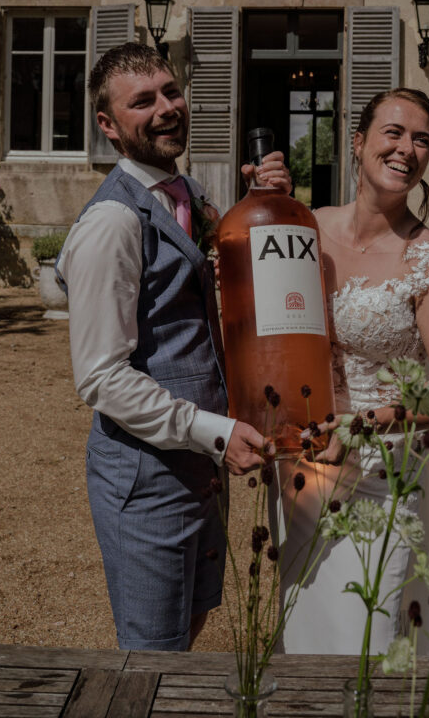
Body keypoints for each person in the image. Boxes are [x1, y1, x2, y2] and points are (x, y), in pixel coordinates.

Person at [56, 42, 290, 652]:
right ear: (108, 125)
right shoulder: (110, 224)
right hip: (147, 476)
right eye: (142, 101)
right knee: (151, 653)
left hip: (200, 470)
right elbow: (102, 378)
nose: (166, 108)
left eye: (170, 91)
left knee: (190, 624)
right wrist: (216, 433)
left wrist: (266, 208)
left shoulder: (184, 192)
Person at [271, 87, 429, 656]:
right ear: (357, 142)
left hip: (386, 469)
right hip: (304, 462)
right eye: (394, 132)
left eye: (422, 140)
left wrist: (364, 422)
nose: (406, 148)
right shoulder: (304, 229)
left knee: (367, 633)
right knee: (305, 620)